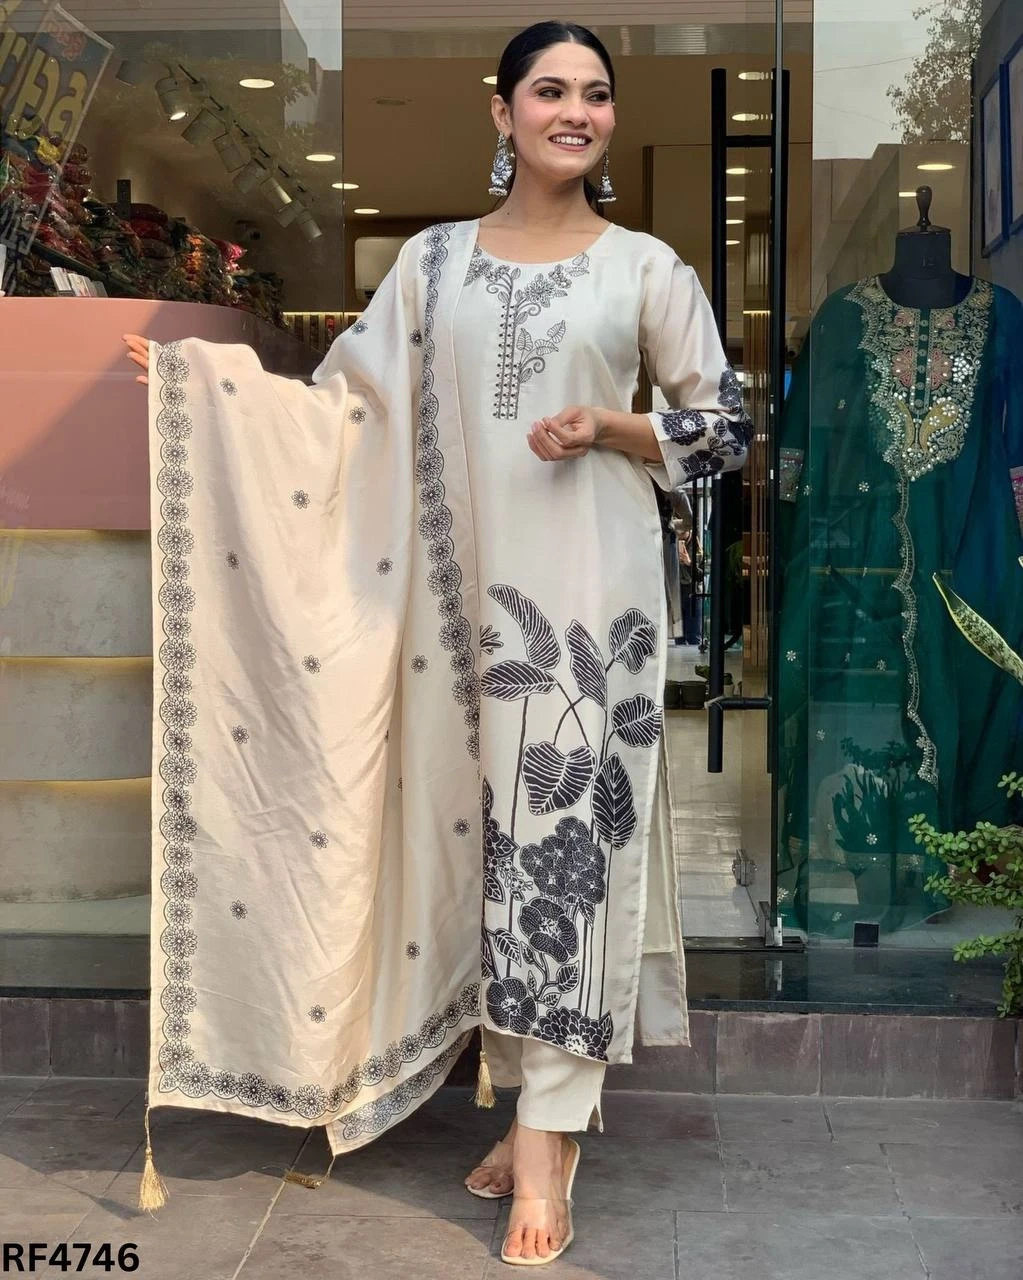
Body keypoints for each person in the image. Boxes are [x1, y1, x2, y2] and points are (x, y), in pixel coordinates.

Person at [124, 21, 751, 1266]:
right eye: (550, 91)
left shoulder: (646, 267)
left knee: (564, 851)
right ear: (502, 111)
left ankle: (548, 1137)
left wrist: (614, 427)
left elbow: (723, 427)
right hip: (451, 617)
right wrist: (210, 394)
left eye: (596, 94)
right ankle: (529, 1114)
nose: (575, 112)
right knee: (480, 848)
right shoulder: (432, 264)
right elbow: (345, 409)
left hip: (589, 610)